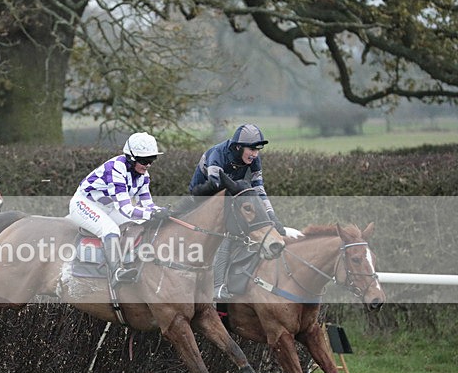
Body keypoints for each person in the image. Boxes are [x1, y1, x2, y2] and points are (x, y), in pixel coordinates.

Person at [189, 123, 302, 299]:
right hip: (206, 197)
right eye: (252, 150)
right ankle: (217, 286)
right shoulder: (217, 155)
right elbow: (217, 192)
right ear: (238, 147)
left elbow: (259, 189)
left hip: (232, 195)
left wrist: (272, 217)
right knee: (225, 236)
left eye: (258, 150)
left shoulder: (254, 159)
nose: (255, 154)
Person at [69, 132, 171, 288]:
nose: (148, 165)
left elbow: (147, 205)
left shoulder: (144, 175)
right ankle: (116, 271)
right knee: (111, 230)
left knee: (139, 223)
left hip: (108, 207)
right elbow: (126, 208)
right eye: (144, 160)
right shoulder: (116, 168)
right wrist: (152, 213)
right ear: (131, 158)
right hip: (84, 204)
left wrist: (162, 212)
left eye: (152, 160)